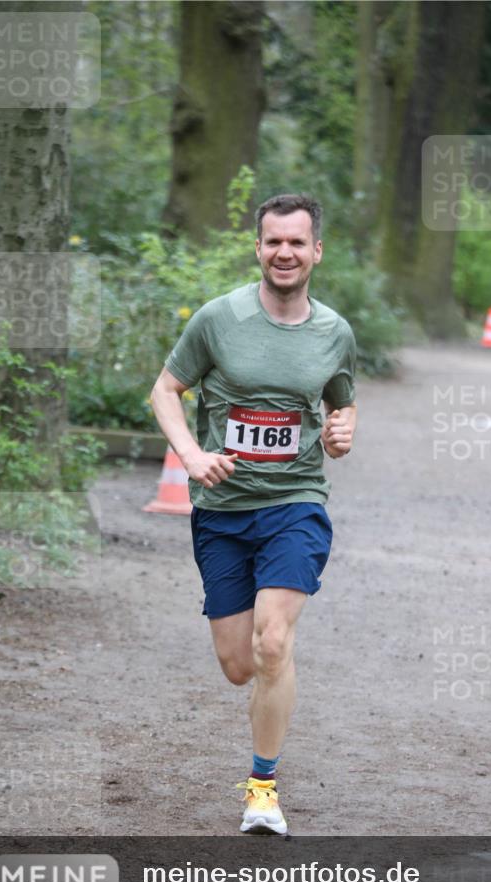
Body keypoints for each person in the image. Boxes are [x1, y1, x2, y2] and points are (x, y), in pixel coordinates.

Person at [150, 194, 357, 833]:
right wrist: (190, 453)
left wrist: (342, 431)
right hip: (221, 511)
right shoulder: (219, 319)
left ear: (316, 250)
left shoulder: (334, 333)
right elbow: (164, 390)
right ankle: (266, 691)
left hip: (295, 502)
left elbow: (341, 404)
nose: (285, 253)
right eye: (273, 242)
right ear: (258, 248)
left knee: (273, 642)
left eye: (297, 242)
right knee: (239, 664)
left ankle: (262, 787)